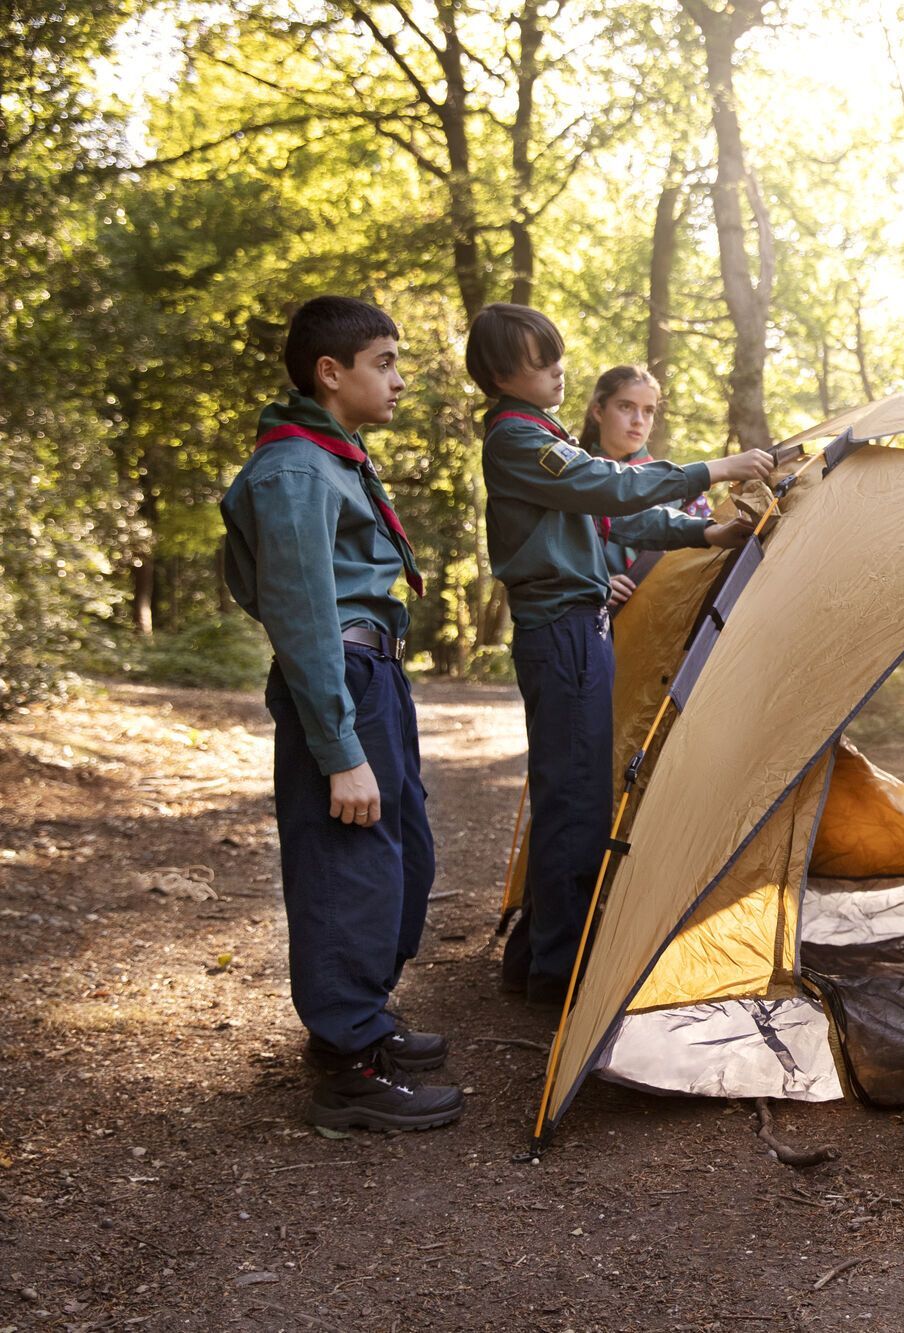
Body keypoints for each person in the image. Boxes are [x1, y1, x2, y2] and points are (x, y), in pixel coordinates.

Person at [467, 306, 772, 1008]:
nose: (556, 370)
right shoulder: (519, 439)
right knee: (574, 798)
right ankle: (560, 969)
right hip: (564, 631)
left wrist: (710, 533)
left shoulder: (542, 438)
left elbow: (621, 516)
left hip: (583, 630)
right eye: (540, 361)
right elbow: (609, 488)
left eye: (556, 357)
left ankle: (546, 954)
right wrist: (712, 466)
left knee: (579, 791)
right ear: (501, 375)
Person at [219, 295, 462, 1132]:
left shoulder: (336, 457)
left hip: (372, 671)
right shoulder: (294, 469)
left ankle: (361, 1016)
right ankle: (347, 1066)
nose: (398, 380)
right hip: (338, 677)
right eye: (384, 362)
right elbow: (300, 615)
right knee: (347, 867)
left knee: (402, 858)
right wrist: (339, 747)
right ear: (332, 372)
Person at [578, 364, 750, 599]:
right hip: (594, 621)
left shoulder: (678, 485)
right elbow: (549, 555)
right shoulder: (573, 481)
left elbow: (707, 562)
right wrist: (593, 584)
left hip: (669, 615)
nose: (638, 420)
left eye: (648, 411)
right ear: (599, 411)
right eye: (626, 406)